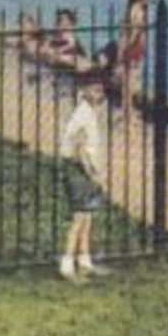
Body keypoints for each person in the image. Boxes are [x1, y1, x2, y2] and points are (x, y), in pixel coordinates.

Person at [59, 83, 109, 282]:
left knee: (87, 217)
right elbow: (80, 149)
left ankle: (84, 260)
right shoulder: (83, 115)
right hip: (78, 169)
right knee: (79, 218)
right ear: (84, 91)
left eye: (100, 90)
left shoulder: (88, 113)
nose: (99, 94)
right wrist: (93, 174)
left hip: (83, 168)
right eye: (94, 89)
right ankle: (67, 263)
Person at [116, 0, 149, 112]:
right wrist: (129, 43)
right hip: (134, 43)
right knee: (131, 73)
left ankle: (126, 102)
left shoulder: (130, 9)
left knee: (127, 73)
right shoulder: (138, 10)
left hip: (132, 42)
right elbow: (135, 29)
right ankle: (128, 103)